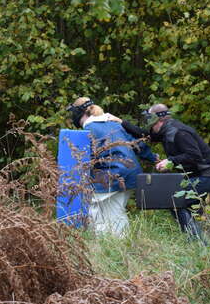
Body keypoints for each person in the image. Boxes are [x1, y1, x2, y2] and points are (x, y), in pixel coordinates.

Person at [107, 103, 210, 241]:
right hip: (200, 176)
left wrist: (171, 161)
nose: (149, 127)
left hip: (209, 176)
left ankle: (196, 241)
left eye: (150, 122)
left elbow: (195, 156)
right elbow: (144, 135)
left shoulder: (179, 133)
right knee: (181, 203)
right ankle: (197, 238)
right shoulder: (165, 131)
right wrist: (121, 122)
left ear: (158, 120)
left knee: (174, 200)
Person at [66, 97, 157, 236]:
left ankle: (105, 247)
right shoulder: (114, 124)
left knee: (96, 213)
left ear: (80, 113)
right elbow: (136, 143)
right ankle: (121, 246)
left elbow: (84, 160)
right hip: (131, 173)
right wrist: (153, 157)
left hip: (112, 174)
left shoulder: (89, 130)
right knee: (115, 211)